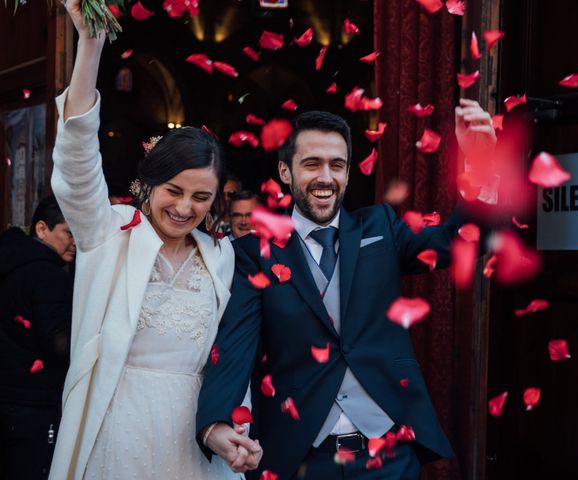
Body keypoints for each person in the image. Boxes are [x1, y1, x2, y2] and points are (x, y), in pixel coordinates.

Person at [196, 105, 497, 479]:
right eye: (312, 164)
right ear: (285, 171)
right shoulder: (254, 255)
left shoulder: (381, 228)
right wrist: (214, 425)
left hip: (388, 458)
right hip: (302, 461)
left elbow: (458, 241)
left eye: (337, 165)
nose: (326, 177)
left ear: (349, 172)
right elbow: (234, 347)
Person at [47, 1, 261, 478]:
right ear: (147, 184)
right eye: (174, 191)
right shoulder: (108, 232)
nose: (186, 208)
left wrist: (225, 429)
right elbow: (77, 163)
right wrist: (90, 45)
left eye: (202, 196)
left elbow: (230, 354)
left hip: (196, 436)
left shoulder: (221, 257)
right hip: (118, 425)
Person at [0, 196, 75, 480]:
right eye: (68, 232)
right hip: (32, 400)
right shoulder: (47, 273)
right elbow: (58, 344)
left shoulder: (11, 261)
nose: (75, 243)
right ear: (42, 229)